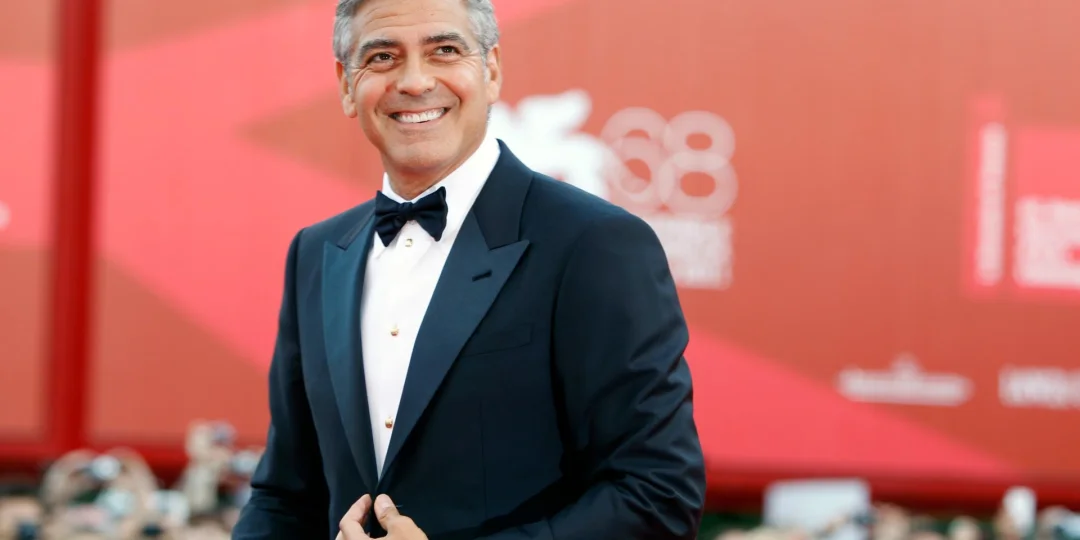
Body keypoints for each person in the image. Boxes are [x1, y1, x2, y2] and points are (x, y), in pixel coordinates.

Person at [231, 0, 706, 538]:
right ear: (346, 84)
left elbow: (657, 493)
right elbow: (284, 497)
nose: (414, 81)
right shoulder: (317, 254)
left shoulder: (594, 244)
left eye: (444, 50)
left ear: (491, 69)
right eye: (383, 57)